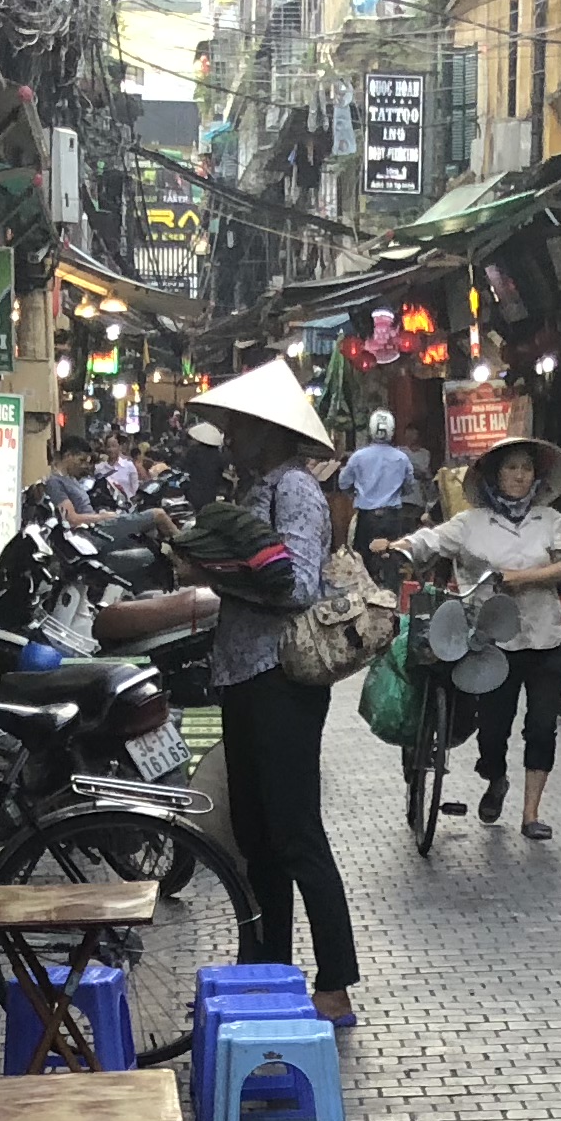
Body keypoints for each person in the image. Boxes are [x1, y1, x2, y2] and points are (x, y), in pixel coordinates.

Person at [197, 357, 360, 1019]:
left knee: (295, 834)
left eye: (238, 426)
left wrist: (219, 574)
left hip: (280, 679)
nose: (229, 438)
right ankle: (268, 966)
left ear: (267, 430)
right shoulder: (253, 488)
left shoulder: (293, 488)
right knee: (257, 836)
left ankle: (335, 981)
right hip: (243, 674)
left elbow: (294, 585)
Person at [382, 434, 561, 841]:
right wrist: (400, 545)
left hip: (544, 637)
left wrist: (521, 578)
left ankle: (531, 814)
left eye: (526, 468)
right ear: (495, 476)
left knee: (542, 727)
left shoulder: (550, 520)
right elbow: (431, 540)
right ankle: (495, 778)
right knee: (493, 731)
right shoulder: (470, 523)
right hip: (492, 642)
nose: (520, 476)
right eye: (511, 468)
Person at [341, 408, 423, 553]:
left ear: (371, 430)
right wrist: (397, 492)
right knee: (393, 556)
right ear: (392, 430)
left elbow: (343, 483)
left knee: (363, 559)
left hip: (366, 518)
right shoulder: (402, 458)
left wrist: (354, 493)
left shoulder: (358, 457)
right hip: (392, 517)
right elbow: (409, 486)